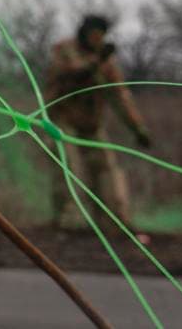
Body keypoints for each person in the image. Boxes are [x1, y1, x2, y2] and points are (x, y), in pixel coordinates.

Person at [45, 13, 153, 230]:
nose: (96, 40)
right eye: (93, 35)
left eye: (100, 36)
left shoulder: (107, 62)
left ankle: (115, 220)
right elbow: (70, 73)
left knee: (108, 170)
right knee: (69, 168)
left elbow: (120, 96)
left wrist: (138, 128)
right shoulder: (65, 50)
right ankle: (68, 221)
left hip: (92, 123)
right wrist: (96, 62)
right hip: (63, 120)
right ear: (84, 34)